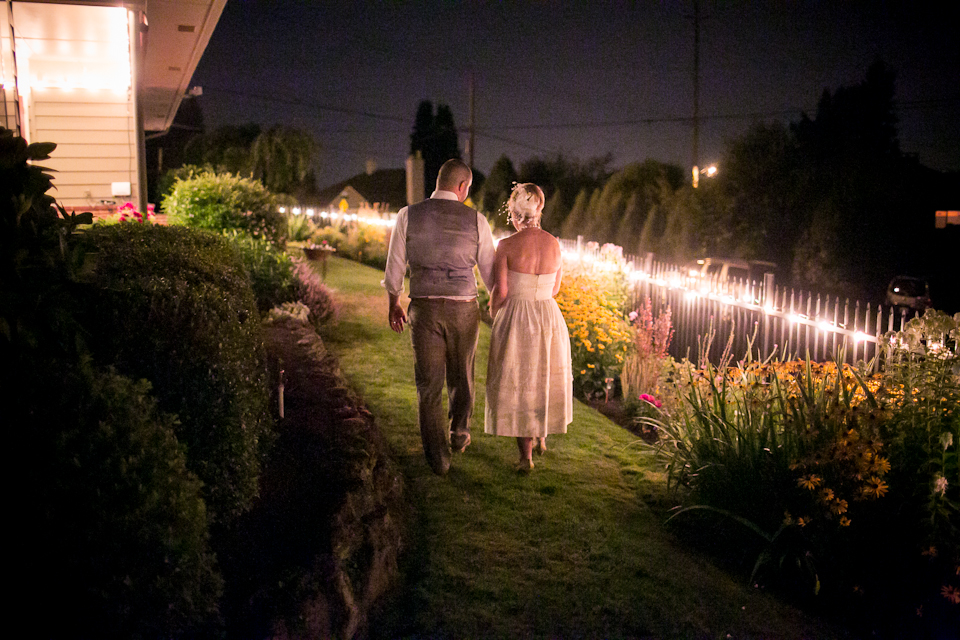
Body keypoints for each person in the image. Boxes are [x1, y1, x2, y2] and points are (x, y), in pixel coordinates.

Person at [383, 158, 495, 476]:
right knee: (462, 376)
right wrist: (499, 304)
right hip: (463, 307)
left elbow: (394, 268)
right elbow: (489, 274)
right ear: (463, 187)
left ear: (438, 181)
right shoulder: (477, 221)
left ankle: (438, 459)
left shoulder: (407, 215)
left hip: (424, 307)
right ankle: (459, 434)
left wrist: (394, 302)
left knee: (428, 386)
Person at [484, 183, 573, 472]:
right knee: (544, 376)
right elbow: (556, 288)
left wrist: (492, 308)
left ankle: (526, 458)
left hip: (518, 317)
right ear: (539, 210)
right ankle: (542, 437)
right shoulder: (554, 244)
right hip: (548, 316)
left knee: (521, 380)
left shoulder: (506, 246)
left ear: (514, 213)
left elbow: (503, 291)